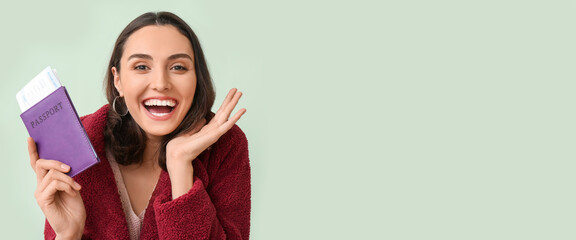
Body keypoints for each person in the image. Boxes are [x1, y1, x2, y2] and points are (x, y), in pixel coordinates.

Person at [27, 11, 250, 240]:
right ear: (118, 80)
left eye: (178, 67)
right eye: (141, 67)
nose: (161, 84)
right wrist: (68, 233)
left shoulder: (226, 146)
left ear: (197, 79)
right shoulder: (77, 146)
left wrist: (180, 165)